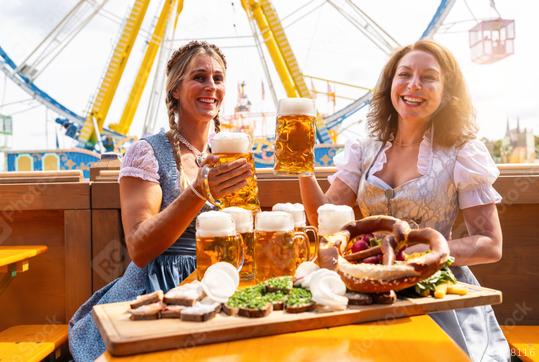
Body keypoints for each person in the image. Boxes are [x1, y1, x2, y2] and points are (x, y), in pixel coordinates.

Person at [299, 40, 510, 361]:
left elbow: (490, 245)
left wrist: (421, 253)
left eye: (428, 77)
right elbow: (324, 220)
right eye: (405, 74)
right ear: (390, 85)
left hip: (434, 293)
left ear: (446, 92)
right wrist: (302, 168)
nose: (413, 85)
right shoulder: (364, 150)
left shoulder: (463, 153)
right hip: (367, 287)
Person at [68, 40, 252, 361]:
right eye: (199, 77)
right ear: (175, 90)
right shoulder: (149, 151)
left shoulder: (227, 153)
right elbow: (139, 247)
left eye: (218, 79)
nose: (211, 86)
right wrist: (197, 192)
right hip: (161, 288)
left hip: (222, 282)